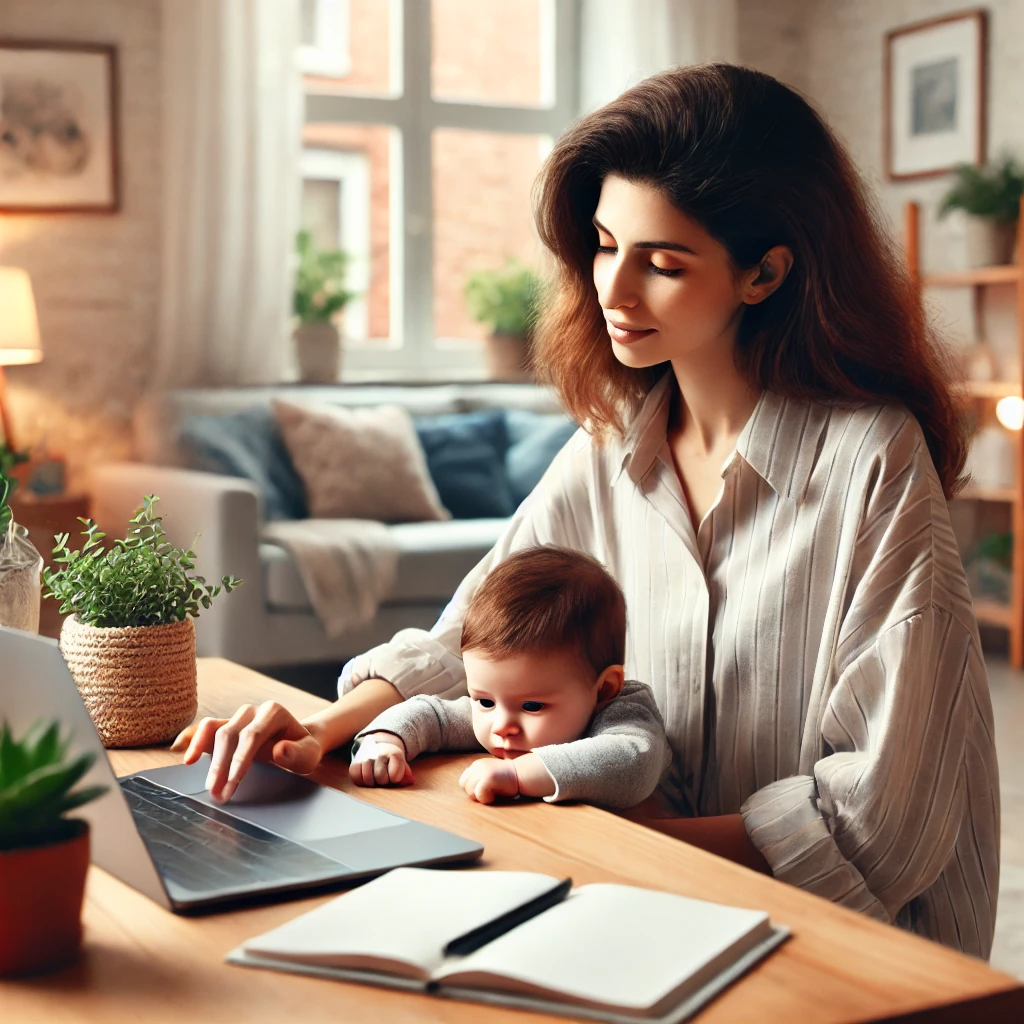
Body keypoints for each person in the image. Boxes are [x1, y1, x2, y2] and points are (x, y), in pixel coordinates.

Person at [173, 64, 999, 958]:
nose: (615, 289)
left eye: (663, 262)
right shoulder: (612, 445)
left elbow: (884, 824)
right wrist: (324, 726)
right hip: (647, 907)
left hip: (852, 946)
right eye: (606, 245)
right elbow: (476, 636)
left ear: (764, 273)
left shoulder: (872, 458)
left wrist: (610, 850)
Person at [349, 546, 672, 809]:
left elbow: (634, 761)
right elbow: (433, 714)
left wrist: (518, 774)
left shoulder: (625, 712)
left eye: (532, 706)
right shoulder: (503, 714)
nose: (502, 726)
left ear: (603, 689)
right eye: (484, 701)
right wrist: (385, 741)